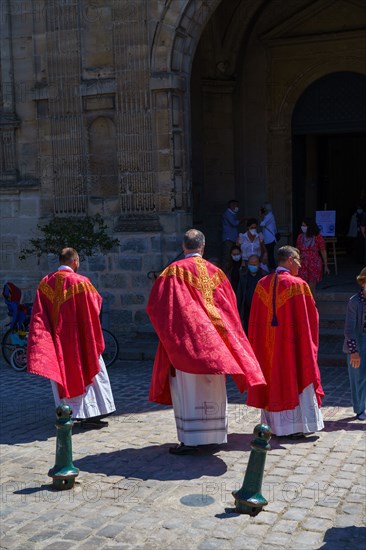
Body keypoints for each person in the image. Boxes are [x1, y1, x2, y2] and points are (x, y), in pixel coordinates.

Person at [147, 229, 266, 455]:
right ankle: (214, 436)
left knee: (189, 391)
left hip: (186, 346)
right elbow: (230, 309)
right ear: (202, 247)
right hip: (216, 348)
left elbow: (155, 308)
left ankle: (192, 441)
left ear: (184, 247)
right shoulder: (217, 273)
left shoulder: (171, 272)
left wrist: (171, 334)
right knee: (212, 390)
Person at [27, 247, 116, 428]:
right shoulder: (82, 282)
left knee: (62, 376)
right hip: (81, 340)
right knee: (92, 371)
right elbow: (95, 305)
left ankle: (69, 412)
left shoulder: (45, 283)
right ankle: (91, 413)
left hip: (57, 342)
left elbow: (39, 314)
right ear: (75, 262)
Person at [247, 245, 324, 438]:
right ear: (290, 260)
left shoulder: (261, 284)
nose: (300, 264)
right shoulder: (298, 285)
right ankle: (297, 427)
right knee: (294, 375)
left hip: (267, 349)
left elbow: (254, 320)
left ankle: (274, 426)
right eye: (298, 260)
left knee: (273, 380)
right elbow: (310, 320)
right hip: (293, 347)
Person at [343, 266, 366, 421]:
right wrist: (354, 351)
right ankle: (359, 409)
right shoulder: (354, 301)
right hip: (358, 341)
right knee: (358, 377)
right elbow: (349, 329)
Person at [296, 217, 329, 296]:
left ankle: (312, 305)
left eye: (305, 225)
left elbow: (323, 250)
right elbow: (297, 250)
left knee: (311, 287)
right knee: (302, 285)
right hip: (303, 263)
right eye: (302, 225)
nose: (303, 227)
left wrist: (326, 265)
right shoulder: (300, 237)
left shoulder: (318, 237)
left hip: (314, 263)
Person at [236, 254, 266, 334]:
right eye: (250, 264)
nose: (252, 266)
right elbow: (240, 295)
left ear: (259, 264)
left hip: (260, 311)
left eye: (254, 264)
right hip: (247, 310)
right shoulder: (244, 277)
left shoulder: (265, 277)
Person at [221, 199, 243, 271]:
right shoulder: (227, 214)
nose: (237, 207)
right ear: (231, 205)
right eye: (236, 205)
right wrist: (242, 220)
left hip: (233, 238)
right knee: (227, 256)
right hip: (228, 238)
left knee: (234, 255)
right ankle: (225, 271)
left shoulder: (233, 214)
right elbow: (234, 223)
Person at [259, 202, 277, 271]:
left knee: (270, 254)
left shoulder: (270, 215)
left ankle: (272, 269)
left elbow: (262, 224)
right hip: (267, 239)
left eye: (264, 208)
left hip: (270, 239)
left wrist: (260, 216)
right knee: (268, 253)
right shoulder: (267, 216)